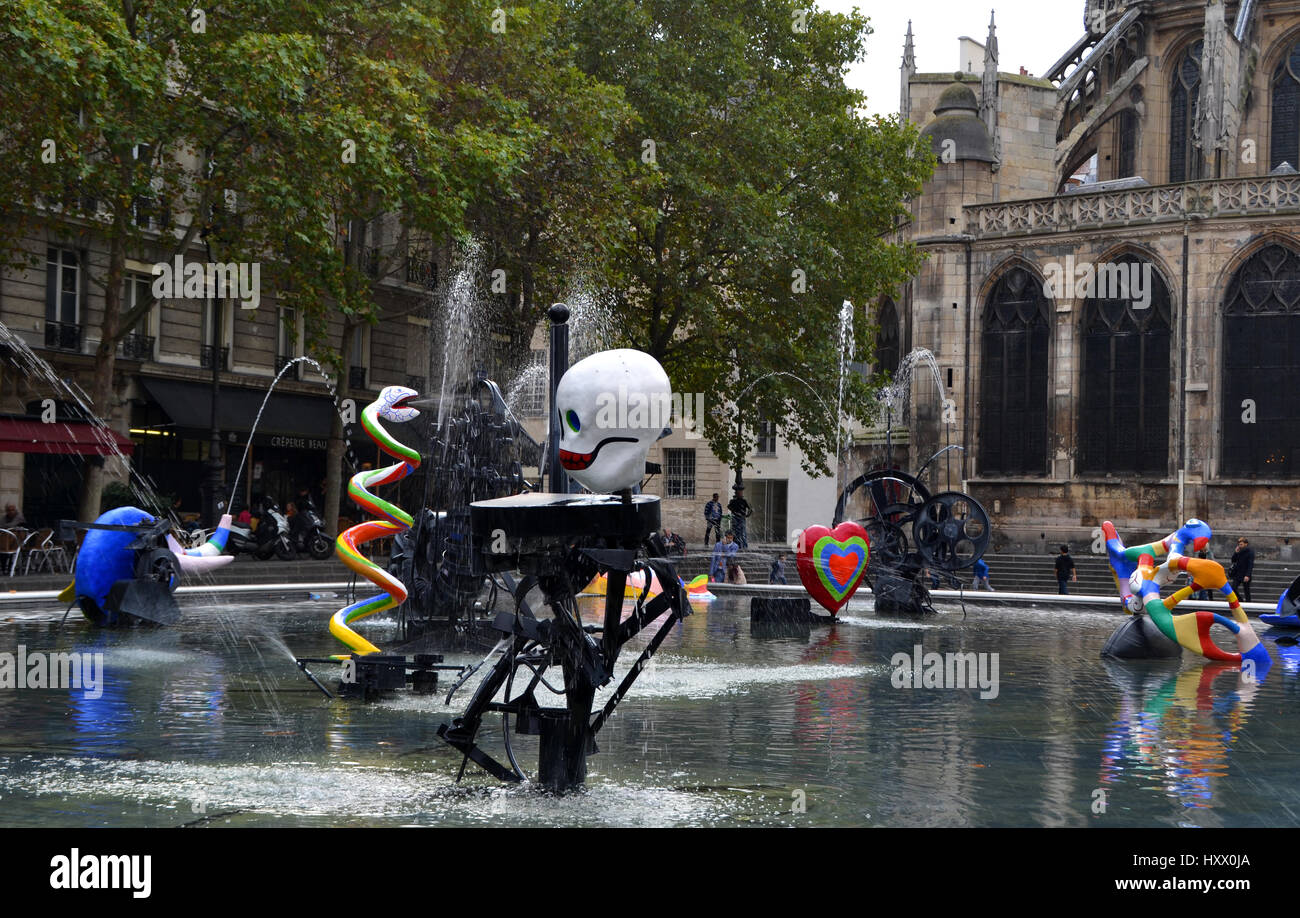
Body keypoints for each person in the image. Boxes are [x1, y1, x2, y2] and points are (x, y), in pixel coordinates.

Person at [727, 485, 753, 549]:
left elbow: (751, 509)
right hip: (736, 518)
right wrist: (734, 511)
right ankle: (736, 544)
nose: (739, 494)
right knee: (735, 532)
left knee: (742, 532)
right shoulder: (734, 501)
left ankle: (743, 545)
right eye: (738, 493)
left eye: (740, 493)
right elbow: (729, 507)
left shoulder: (744, 501)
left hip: (741, 518)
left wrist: (747, 515)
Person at [1230, 537, 1255, 603]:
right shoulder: (1239, 551)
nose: (1239, 546)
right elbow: (1233, 560)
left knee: (1246, 590)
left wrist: (1248, 575)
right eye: (1239, 544)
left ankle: (1248, 603)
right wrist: (1235, 553)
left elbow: (1250, 564)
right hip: (1237, 573)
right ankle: (1240, 600)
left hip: (1245, 574)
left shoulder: (1250, 552)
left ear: (1246, 544)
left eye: (1241, 544)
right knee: (1233, 588)